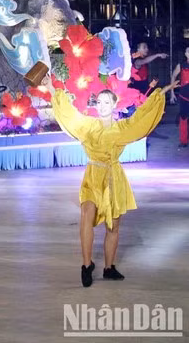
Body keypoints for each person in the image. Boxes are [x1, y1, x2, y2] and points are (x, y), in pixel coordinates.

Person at [45, 75, 178, 287]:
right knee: (86, 215)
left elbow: (143, 117)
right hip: (92, 176)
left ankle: (109, 267)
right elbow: (69, 115)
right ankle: (86, 265)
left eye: (106, 102)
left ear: (114, 104)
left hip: (114, 179)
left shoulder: (123, 128)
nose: (102, 105)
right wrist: (52, 89)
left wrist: (161, 92)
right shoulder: (87, 125)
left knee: (113, 227)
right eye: (99, 102)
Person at [170, 46, 189, 148]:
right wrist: (172, 93)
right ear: (186, 54)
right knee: (183, 118)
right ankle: (183, 141)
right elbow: (173, 76)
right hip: (184, 96)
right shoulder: (181, 65)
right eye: (188, 51)